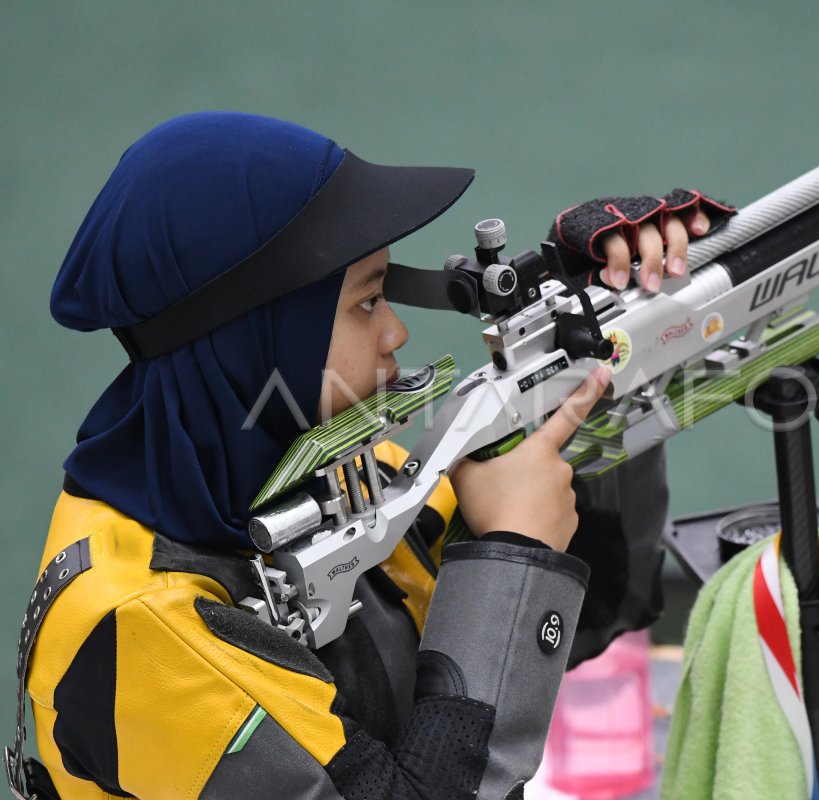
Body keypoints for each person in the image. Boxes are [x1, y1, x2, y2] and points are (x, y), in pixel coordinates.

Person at [11, 112, 730, 800]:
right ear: (261, 333)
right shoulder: (135, 631)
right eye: (366, 301)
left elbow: (597, 609)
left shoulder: (338, 476)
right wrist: (512, 550)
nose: (396, 334)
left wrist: (606, 347)